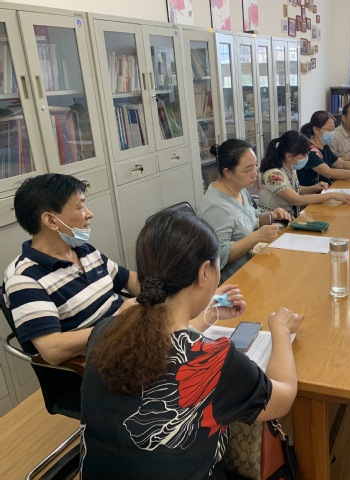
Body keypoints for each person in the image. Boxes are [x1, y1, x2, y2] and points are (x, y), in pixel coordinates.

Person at [80, 206, 304, 479]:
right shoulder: (214, 359)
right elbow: (281, 400)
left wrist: (207, 315)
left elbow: (165, 343)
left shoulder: (104, 331)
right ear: (205, 272)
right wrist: (280, 331)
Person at [2, 174, 140, 365]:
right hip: (105, 362)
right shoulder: (24, 279)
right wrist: (118, 321)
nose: (89, 214)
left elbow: (128, 279)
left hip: (132, 337)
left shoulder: (84, 250)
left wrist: (162, 287)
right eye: (80, 207)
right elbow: (53, 349)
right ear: (51, 221)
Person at [198, 139, 291, 283]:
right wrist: (256, 237)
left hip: (253, 265)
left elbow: (251, 216)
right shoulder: (216, 207)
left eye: (256, 166)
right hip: (235, 279)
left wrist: (271, 216)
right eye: (248, 170)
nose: (255, 174)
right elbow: (218, 256)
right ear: (228, 173)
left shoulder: (239, 190)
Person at [257, 130, 350, 216]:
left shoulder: (290, 166)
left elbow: (293, 189)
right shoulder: (273, 175)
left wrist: (313, 188)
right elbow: (297, 200)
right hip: (273, 221)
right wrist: (331, 195)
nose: (306, 158)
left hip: (286, 216)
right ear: (289, 156)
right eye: (303, 155)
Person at [298, 110, 350, 187]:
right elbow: (329, 172)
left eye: (333, 129)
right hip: (313, 194)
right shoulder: (310, 151)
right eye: (328, 129)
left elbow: (342, 164)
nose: (331, 133)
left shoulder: (324, 146)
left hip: (326, 190)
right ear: (316, 130)